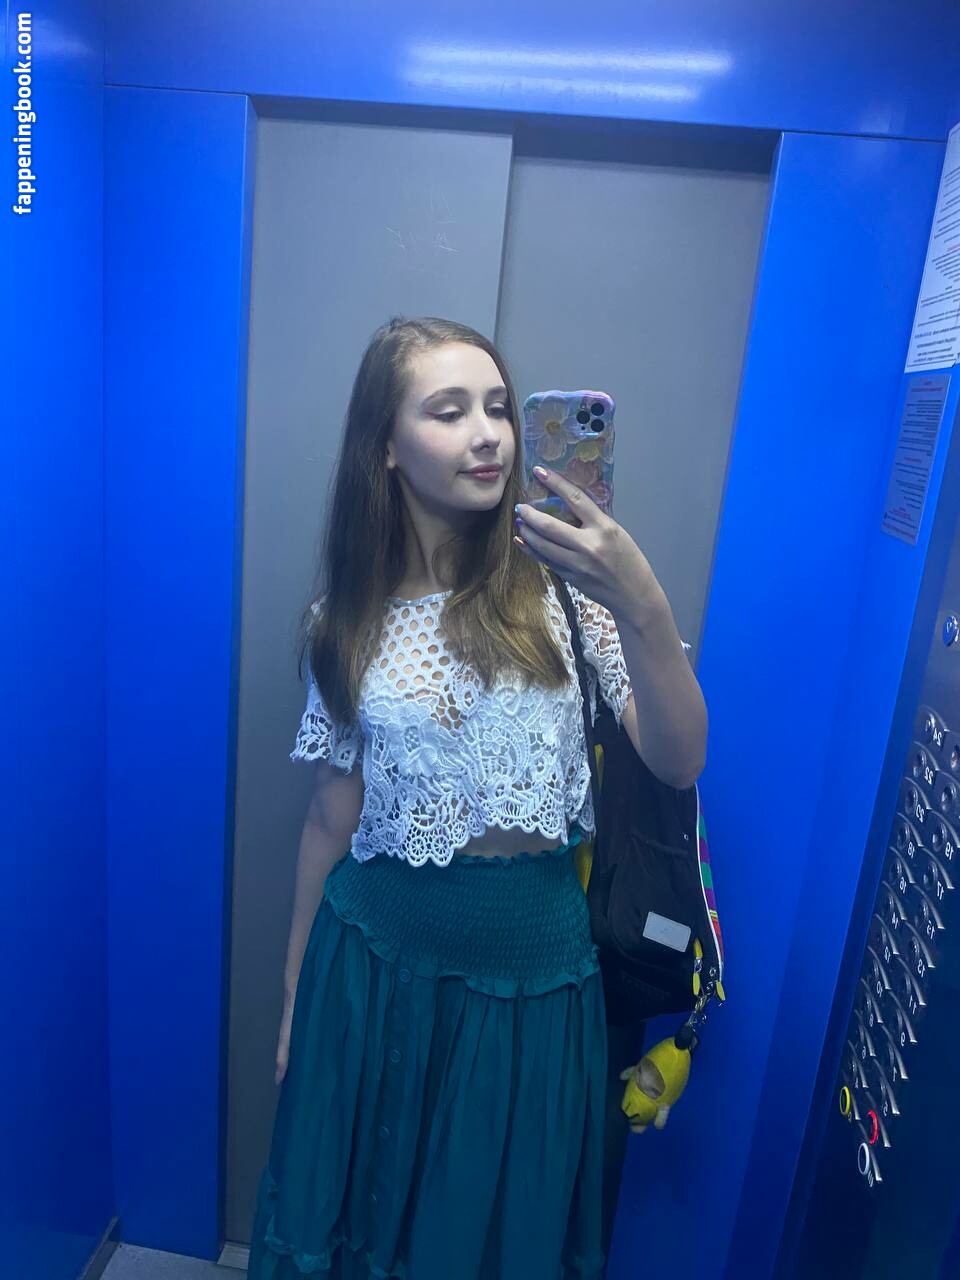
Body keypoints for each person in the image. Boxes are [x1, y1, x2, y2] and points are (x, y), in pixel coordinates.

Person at [246, 316, 707, 1280]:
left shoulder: (568, 592)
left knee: (490, 1236)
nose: (488, 433)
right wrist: (294, 998)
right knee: (360, 1215)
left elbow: (678, 760)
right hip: (372, 961)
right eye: (448, 411)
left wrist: (641, 600)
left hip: (532, 975)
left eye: (498, 407)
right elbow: (331, 815)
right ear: (385, 446)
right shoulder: (345, 621)